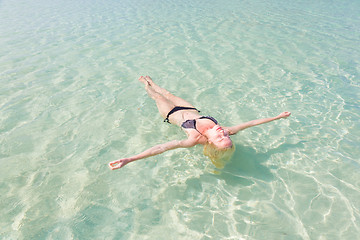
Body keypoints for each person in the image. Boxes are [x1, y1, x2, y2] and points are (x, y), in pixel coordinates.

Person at [109, 76, 291, 170]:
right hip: (190, 108)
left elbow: (161, 148)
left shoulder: (193, 140)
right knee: (168, 93)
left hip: (171, 113)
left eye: (220, 138)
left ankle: (146, 86)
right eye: (226, 136)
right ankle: (152, 82)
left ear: (210, 142)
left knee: (157, 96)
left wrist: (131, 159)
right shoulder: (226, 130)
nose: (223, 133)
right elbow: (252, 123)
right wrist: (278, 117)